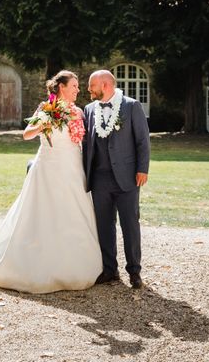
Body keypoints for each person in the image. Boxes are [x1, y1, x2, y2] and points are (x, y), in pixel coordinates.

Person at [0, 70, 102, 293]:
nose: (77, 90)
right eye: (74, 86)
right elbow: (27, 134)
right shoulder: (46, 108)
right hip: (47, 168)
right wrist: (44, 124)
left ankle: (74, 265)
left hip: (73, 168)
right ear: (62, 87)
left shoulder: (79, 112)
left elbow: (83, 141)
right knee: (42, 213)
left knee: (73, 212)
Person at [82, 70, 151, 289]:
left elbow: (142, 140)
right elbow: (85, 144)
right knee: (104, 225)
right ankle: (110, 270)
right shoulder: (89, 109)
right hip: (100, 178)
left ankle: (134, 272)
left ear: (105, 85)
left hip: (127, 178)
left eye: (92, 85)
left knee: (130, 224)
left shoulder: (131, 106)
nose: (88, 89)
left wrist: (142, 169)